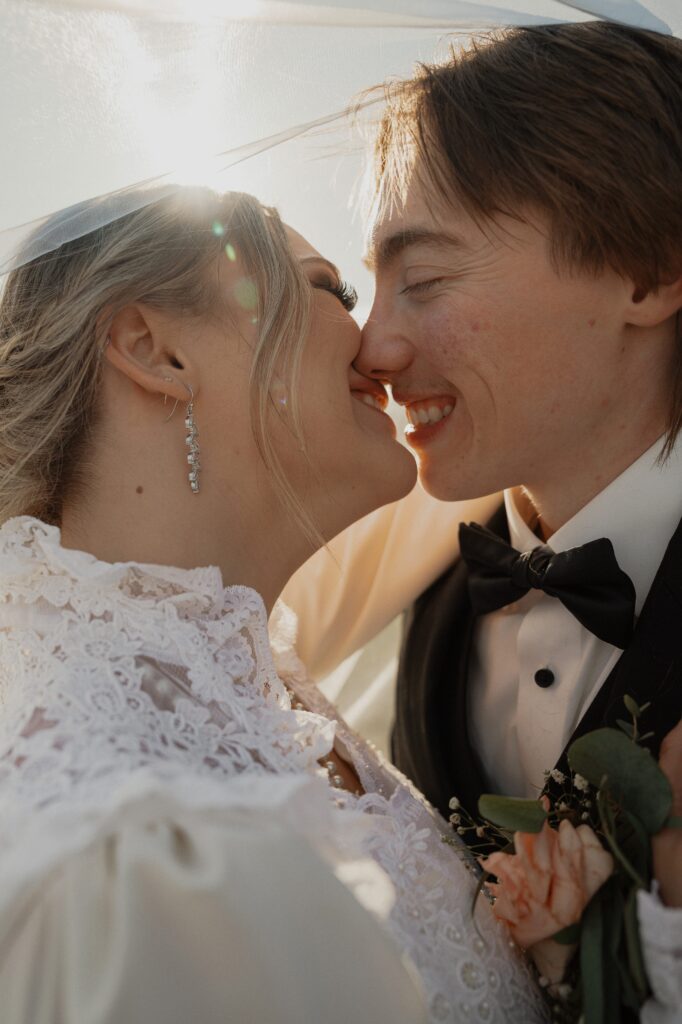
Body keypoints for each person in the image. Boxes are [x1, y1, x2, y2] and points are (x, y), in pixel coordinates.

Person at [0, 187, 547, 1023]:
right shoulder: (123, 844)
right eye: (333, 289)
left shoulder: (258, 676)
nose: (378, 347)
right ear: (156, 350)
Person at [282, 21, 682, 1023]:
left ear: (646, 272)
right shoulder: (390, 558)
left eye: (423, 279)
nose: (372, 345)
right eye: (369, 286)